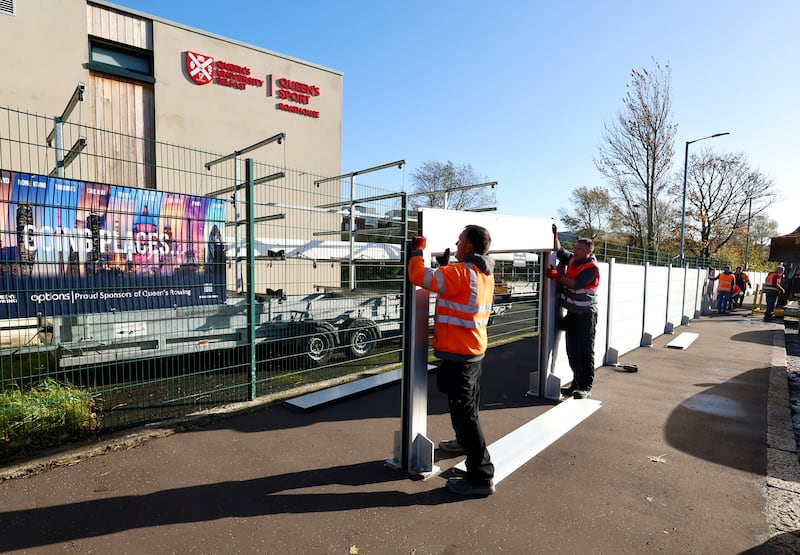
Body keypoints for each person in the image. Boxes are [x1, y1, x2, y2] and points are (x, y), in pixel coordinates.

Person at [408, 226, 495, 497]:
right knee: (465, 409)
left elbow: (417, 275)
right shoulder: (482, 272)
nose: (456, 243)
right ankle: (462, 443)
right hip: (472, 352)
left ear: (469, 248)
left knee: (466, 417)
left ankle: (481, 478)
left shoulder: (460, 273)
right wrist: (445, 267)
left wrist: (417, 250)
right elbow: (456, 292)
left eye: (460, 241)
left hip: (462, 356)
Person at [545, 226, 600, 400]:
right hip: (573, 313)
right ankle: (576, 384)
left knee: (584, 351)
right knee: (572, 350)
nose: (575, 251)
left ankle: (585, 387)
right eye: (575, 248)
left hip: (586, 315)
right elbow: (559, 250)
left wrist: (557, 276)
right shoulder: (573, 260)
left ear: (588, 251)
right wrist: (554, 236)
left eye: (579, 249)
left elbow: (576, 284)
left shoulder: (591, 268)